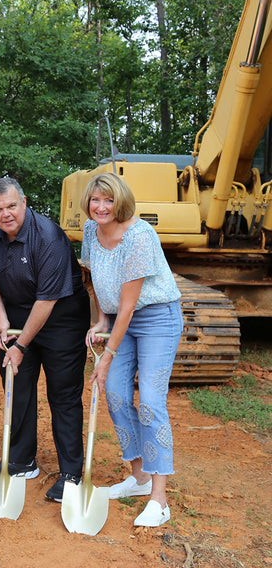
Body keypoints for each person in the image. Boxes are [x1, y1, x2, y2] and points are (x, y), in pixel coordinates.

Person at [0, 177, 90, 502]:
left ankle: (70, 473)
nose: (5, 214)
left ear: (24, 202)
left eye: (11, 206)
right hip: (16, 315)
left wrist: (22, 345)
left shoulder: (49, 236)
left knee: (63, 394)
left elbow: (47, 300)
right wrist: (1, 318)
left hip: (61, 319)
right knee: (17, 386)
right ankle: (22, 459)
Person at [80, 172, 183, 527]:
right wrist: (99, 322)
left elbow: (128, 304)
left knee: (151, 403)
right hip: (120, 319)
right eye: (96, 199)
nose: (102, 206)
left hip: (156, 319)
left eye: (109, 200)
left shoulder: (140, 235)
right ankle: (138, 477)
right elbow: (98, 285)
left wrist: (107, 353)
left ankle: (159, 499)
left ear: (120, 201)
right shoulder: (91, 234)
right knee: (116, 396)